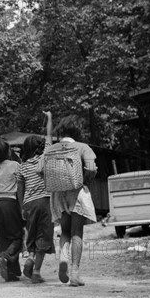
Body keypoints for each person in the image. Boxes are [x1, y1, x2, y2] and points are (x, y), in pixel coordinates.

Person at [44, 113, 97, 287]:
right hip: (77, 193)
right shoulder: (83, 147)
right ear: (78, 131)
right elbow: (90, 168)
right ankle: (75, 273)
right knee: (77, 232)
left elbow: (40, 170)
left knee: (64, 231)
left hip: (58, 194)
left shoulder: (51, 149)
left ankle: (63, 260)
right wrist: (85, 179)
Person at [17, 114, 56, 284]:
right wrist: (49, 119)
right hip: (46, 201)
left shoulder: (22, 166)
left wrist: (22, 207)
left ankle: (30, 258)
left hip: (29, 203)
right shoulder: (45, 158)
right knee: (44, 236)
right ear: (40, 147)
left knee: (32, 235)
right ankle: (36, 272)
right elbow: (49, 137)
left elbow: (19, 189)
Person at [0, 138, 23, 282]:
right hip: (11, 202)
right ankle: (4, 257)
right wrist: (22, 208)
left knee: (3, 239)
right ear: (8, 151)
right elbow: (21, 186)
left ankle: (11, 273)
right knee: (16, 237)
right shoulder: (15, 165)